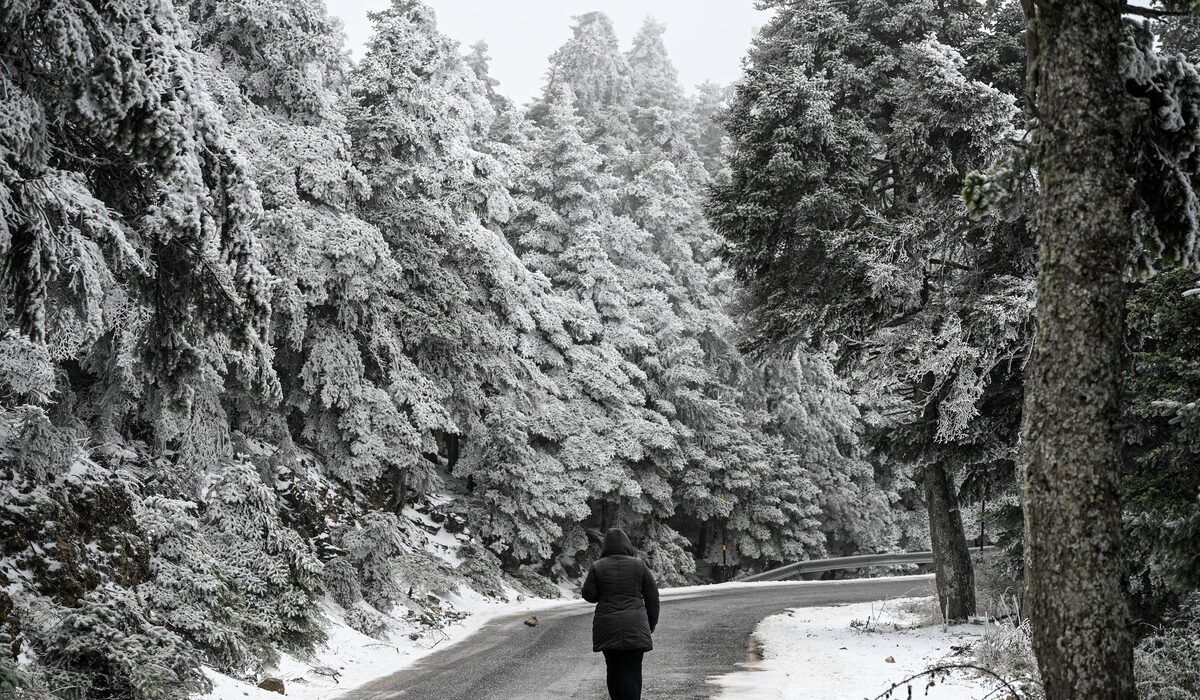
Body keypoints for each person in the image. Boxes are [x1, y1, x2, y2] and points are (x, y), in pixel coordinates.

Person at [581, 528, 660, 700]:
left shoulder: (597, 567)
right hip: (635, 625)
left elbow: (589, 595)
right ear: (628, 546)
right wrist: (651, 622)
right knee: (631, 671)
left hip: (608, 627)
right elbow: (652, 595)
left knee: (614, 669)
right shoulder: (639, 565)